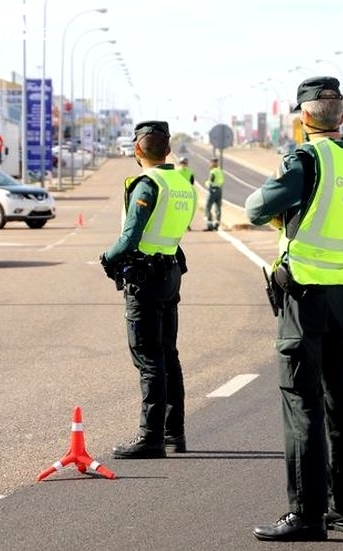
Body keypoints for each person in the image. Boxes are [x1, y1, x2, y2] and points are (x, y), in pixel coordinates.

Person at [245, 76, 343, 542]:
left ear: (303, 117)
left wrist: (291, 210)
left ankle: (306, 515)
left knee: (302, 405)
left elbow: (255, 209)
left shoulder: (305, 159)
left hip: (305, 297)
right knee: (340, 403)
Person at [99, 120, 197, 459]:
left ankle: (150, 437)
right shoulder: (181, 182)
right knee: (168, 354)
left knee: (148, 357)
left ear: (136, 149)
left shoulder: (147, 184)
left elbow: (130, 238)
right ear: (167, 149)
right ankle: (174, 433)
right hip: (170, 271)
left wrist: (106, 258)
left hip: (145, 278)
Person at [203, 157, 225, 231]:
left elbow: (211, 182)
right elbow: (222, 181)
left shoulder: (213, 172)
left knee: (207, 207)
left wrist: (206, 183)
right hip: (219, 190)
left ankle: (210, 225)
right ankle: (216, 224)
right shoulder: (220, 171)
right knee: (218, 208)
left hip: (213, 190)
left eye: (211, 163)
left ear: (212, 163)